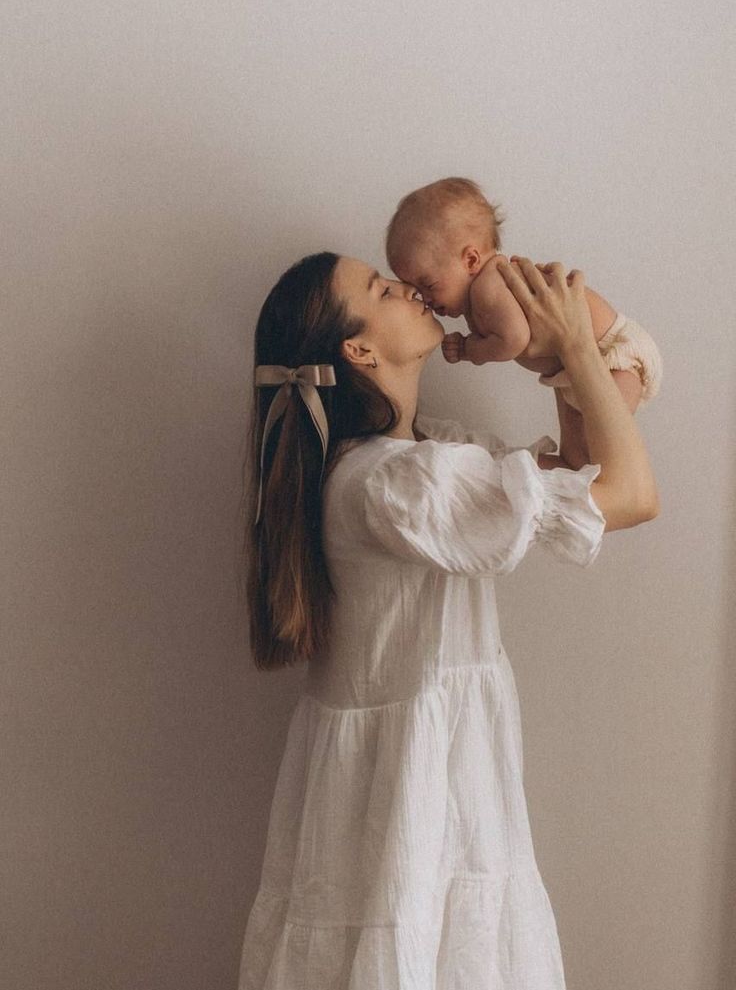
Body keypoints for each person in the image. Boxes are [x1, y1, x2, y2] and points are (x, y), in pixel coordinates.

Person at [238, 249, 659, 989]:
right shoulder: (402, 484)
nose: (408, 288)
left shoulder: (427, 456)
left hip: (427, 790)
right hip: (419, 802)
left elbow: (581, 471)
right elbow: (629, 494)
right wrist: (581, 347)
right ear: (359, 350)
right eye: (382, 288)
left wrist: (560, 361)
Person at [385, 177, 663, 467]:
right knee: (581, 466)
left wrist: (472, 351)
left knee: (611, 460)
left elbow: (514, 338)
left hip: (614, 353)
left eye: (428, 284)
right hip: (574, 369)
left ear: (470, 260)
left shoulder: (489, 285)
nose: (423, 297)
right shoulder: (477, 294)